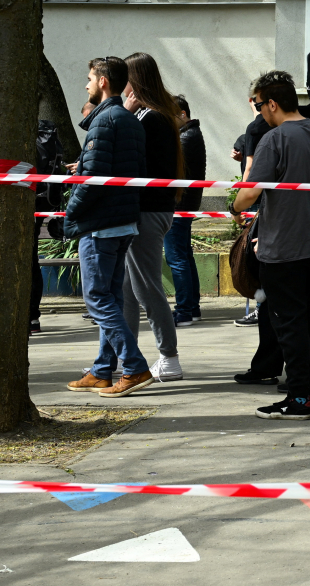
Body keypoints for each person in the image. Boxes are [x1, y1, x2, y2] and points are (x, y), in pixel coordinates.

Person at [232, 70, 310, 420]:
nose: (259, 112)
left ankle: (299, 398)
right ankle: (302, 391)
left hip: (282, 244)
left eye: (259, 105)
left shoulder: (274, 139)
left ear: (272, 103)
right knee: (302, 323)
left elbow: (248, 194)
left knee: (286, 325)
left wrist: (234, 206)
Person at [65, 56, 152, 397]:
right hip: (122, 222)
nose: (86, 84)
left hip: (101, 225)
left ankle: (133, 366)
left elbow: (95, 180)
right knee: (111, 297)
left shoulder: (105, 122)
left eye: (89, 78)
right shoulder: (129, 120)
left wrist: (71, 212)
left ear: (103, 81)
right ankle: (103, 369)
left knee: (98, 298)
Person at [121, 52, 184, 383]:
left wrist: (125, 117)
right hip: (149, 209)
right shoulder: (153, 115)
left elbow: (135, 160)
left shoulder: (150, 118)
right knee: (129, 288)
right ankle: (126, 357)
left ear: (135, 81)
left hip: (148, 210)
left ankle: (169, 357)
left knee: (145, 286)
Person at [166, 95, 206, 327]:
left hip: (178, 205)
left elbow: (171, 168)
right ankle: (191, 307)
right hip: (184, 203)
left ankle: (184, 310)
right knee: (184, 255)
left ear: (182, 114)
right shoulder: (190, 133)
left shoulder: (186, 137)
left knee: (177, 257)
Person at [232, 92, 271, 328]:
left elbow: (249, 172)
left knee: (258, 254)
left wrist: (235, 207)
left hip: (261, 200)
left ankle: (261, 309)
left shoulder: (256, 128)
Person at [31, 119, 64, 335]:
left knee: (29, 260)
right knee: (32, 258)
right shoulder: (47, 135)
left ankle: (30, 317)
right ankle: (33, 317)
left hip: (30, 198)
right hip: (42, 200)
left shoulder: (27, 136)